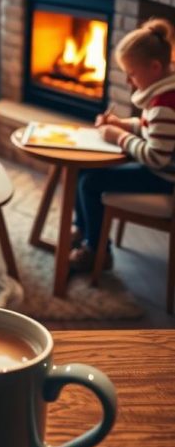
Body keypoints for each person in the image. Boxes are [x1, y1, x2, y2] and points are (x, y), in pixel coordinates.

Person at [70, 17, 175, 272]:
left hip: (163, 178)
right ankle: (84, 229)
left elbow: (157, 156)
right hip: (159, 171)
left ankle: (97, 251)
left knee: (90, 182)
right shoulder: (163, 93)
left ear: (155, 67)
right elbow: (151, 129)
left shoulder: (164, 104)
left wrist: (119, 137)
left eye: (131, 74)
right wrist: (123, 124)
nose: (128, 81)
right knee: (82, 168)